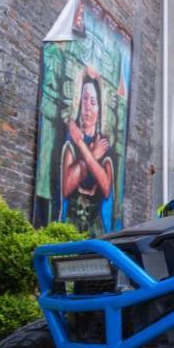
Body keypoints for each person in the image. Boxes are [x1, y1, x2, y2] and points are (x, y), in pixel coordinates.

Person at [60, 71, 115, 233]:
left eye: (93, 101)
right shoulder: (70, 146)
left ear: (99, 109)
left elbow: (106, 187)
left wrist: (82, 145)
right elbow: (67, 186)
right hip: (69, 228)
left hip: (96, 231)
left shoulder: (104, 147)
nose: (88, 107)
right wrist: (92, 156)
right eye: (84, 100)